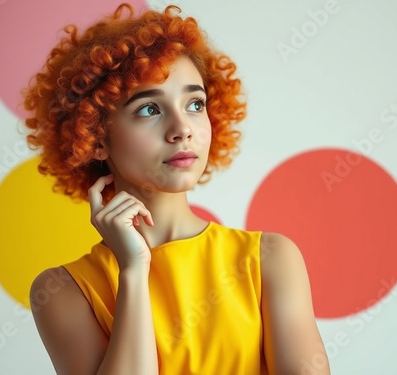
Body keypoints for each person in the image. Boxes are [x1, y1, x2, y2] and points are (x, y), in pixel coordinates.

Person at [23, 3, 330, 375]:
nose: (182, 128)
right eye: (150, 109)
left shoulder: (270, 259)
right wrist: (134, 272)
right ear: (95, 138)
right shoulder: (61, 290)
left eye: (195, 103)